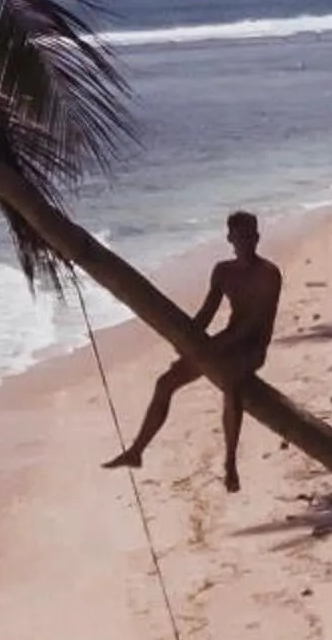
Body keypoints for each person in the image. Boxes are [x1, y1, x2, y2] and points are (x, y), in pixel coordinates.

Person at [103, 210, 282, 493]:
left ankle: (230, 463)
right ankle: (136, 451)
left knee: (231, 384)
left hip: (252, 348)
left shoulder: (268, 274)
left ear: (257, 237)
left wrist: (210, 348)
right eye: (239, 237)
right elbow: (207, 313)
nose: (245, 242)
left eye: (250, 236)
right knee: (165, 383)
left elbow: (253, 325)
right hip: (224, 343)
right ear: (230, 239)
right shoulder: (223, 271)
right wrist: (189, 341)